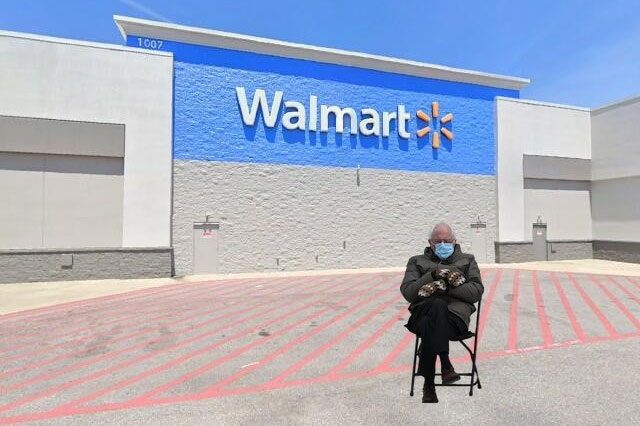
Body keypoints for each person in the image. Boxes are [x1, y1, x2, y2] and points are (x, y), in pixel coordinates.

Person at [400, 222, 484, 403]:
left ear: (454, 241)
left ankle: (429, 385)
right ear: (430, 243)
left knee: (432, 316)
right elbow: (408, 293)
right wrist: (432, 275)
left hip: (454, 319)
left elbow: (476, 292)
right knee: (435, 307)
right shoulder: (416, 261)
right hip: (421, 314)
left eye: (446, 241)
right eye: (438, 241)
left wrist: (445, 287)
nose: (442, 244)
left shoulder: (468, 260)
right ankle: (445, 364)